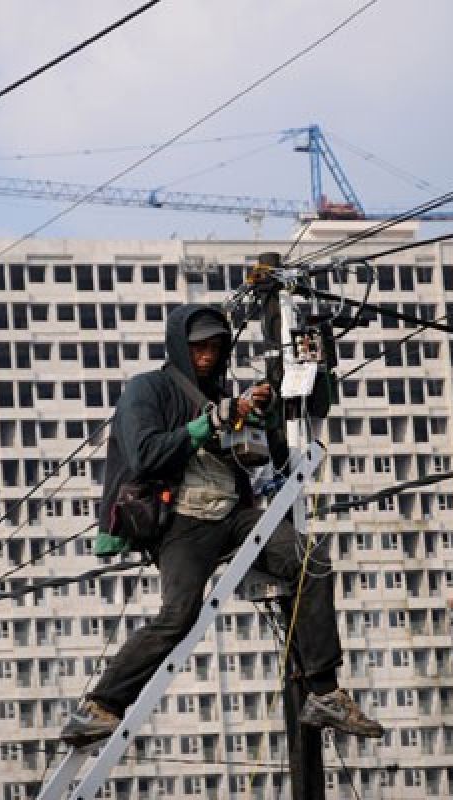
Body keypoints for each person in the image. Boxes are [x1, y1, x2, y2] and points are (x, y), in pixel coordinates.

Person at [60, 303, 383, 746]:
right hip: (181, 521)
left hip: (233, 514)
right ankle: (102, 705)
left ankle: (324, 691)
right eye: (199, 348)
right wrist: (204, 425)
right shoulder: (149, 389)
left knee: (311, 560)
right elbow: (144, 454)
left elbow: (266, 455)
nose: (208, 356)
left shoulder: (222, 394)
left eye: (216, 347)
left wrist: (259, 412)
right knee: (178, 616)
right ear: (180, 346)